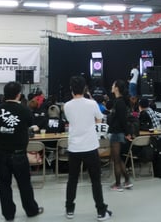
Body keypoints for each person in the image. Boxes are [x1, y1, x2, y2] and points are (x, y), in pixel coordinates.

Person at [64, 75, 112, 221]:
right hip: (90, 146)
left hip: (74, 147)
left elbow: (70, 120)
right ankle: (101, 211)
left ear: (71, 89)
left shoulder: (67, 105)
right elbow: (99, 118)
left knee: (72, 179)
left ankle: (69, 209)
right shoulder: (92, 104)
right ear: (85, 88)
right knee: (95, 180)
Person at [0, 81, 43, 221]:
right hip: (19, 153)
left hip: (1, 153)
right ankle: (31, 210)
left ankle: (8, 214)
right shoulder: (24, 110)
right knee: (24, 184)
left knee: (4, 185)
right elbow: (30, 125)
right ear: (19, 95)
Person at [108, 79, 132, 191]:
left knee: (116, 160)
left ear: (117, 88)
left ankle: (118, 184)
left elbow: (123, 120)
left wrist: (127, 133)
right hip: (116, 132)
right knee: (117, 159)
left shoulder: (119, 102)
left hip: (117, 133)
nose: (112, 86)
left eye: (113, 85)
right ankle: (126, 181)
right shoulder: (118, 101)